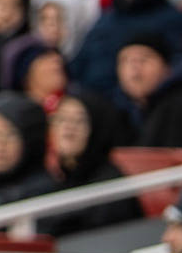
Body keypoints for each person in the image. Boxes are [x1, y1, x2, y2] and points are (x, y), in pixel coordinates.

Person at [38, 88, 144, 237]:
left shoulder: (110, 189)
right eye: (61, 119)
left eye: (79, 120)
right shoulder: (58, 179)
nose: (68, 128)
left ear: (96, 128)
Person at [113, 37, 182, 148]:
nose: (135, 68)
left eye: (144, 59)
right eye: (125, 60)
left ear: (167, 69)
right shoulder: (121, 113)